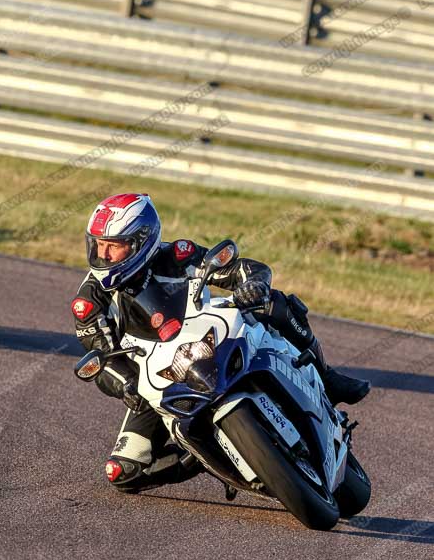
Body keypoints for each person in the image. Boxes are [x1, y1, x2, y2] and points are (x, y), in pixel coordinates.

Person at [71, 193, 370, 493]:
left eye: (114, 246)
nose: (104, 255)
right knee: (122, 473)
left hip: (208, 338)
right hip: (158, 381)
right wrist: (125, 385)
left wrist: (252, 284)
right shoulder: (89, 302)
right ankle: (208, 454)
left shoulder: (177, 256)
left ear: (142, 240)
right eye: (99, 244)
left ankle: (327, 376)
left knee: (273, 303)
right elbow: (102, 357)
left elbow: (244, 268)